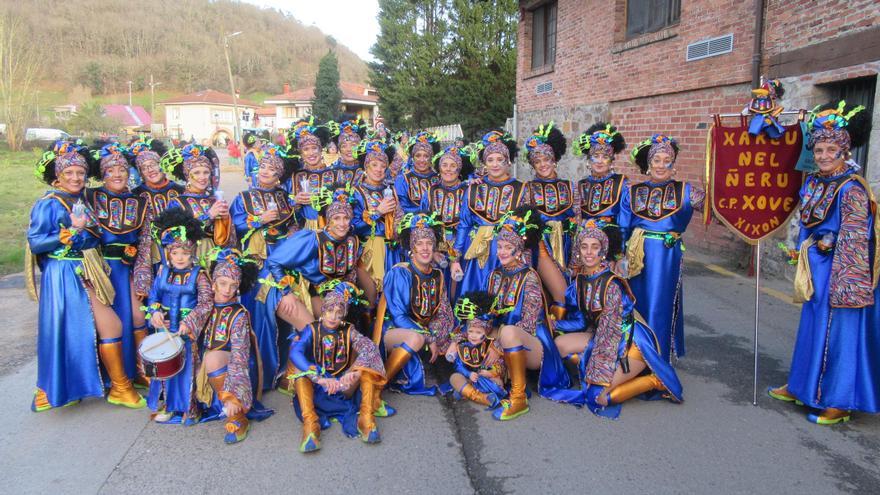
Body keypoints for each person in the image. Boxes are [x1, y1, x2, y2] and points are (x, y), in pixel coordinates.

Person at [769, 101, 879, 425]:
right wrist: (802, 249)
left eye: (831, 149)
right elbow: (807, 221)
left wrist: (833, 249)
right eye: (819, 149)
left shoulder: (852, 188)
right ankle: (802, 386)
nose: (824, 155)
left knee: (839, 331)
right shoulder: (816, 182)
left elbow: (859, 237)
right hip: (816, 266)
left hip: (842, 271)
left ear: (844, 151)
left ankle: (839, 401)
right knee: (812, 327)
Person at [28, 141, 145, 411]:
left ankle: (113, 385)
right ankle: (119, 387)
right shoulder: (49, 203)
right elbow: (36, 243)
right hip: (66, 272)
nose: (75, 178)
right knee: (107, 326)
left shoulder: (81, 199)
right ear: (58, 176)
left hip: (87, 267)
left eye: (80, 173)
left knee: (86, 331)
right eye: (69, 173)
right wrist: (67, 232)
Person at [554, 221, 683, 418]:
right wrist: (551, 323)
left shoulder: (612, 285)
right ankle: (599, 375)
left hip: (630, 344)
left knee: (599, 398)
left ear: (602, 251)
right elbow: (581, 323)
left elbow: (612, 333)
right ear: (578, 250)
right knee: (559, 343)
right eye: (584, 246)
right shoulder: (578, 283)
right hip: (604, 339)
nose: (589, 252)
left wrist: (603, 368)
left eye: (595, 247)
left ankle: (655, 380)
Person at [260, 186, 372, 394]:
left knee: (338, 327)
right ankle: (292, 381)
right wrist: (287, 293)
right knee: (313, 331)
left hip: (319, 292)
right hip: (284, 287)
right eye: (336, 218)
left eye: (345, 218)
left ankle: (332, 382)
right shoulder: (311, 239)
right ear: (328, 219)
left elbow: (347, 274)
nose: (341, 223)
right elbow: (274, 262)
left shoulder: (351, 241)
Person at [625, 134, 704, 363]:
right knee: (634, 302)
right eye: (656, 160)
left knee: (659, 302)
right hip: (635, 255)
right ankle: (634, 354)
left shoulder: (687, 191)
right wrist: (619, 258)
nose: (661, 165)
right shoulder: (632, 191)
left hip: (666, 256)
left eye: (666, 160)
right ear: (649, 164)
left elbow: (715, 211)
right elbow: (622, 227)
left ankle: (657, 358)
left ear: (673, 164)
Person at [484, 207, 570, 420]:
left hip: (534, 345)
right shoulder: (495, 275)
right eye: (500, 246)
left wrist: (495, 345)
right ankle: (497, 378)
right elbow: (490, 313)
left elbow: (529, 323)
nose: (502, 251)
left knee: (508, 333)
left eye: (508, 247)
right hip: (508, 336)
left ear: (519, 249)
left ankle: (518, 397)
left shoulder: (529, 277)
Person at [289, 281, 386, 452]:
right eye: (329, 311)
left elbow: (369, 347)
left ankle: (366, 418)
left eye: (338, 313)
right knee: (299, 370)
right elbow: (296, 352)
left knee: (367, 365)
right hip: (319, 388)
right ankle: (311, 425)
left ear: (344, 315)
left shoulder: (349, 330)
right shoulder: (311, 329)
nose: (333, 317)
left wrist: (353, 372)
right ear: (323, 311)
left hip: (344, 386)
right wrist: (319, 378)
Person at [86, 142, 153, 388]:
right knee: (109, 324)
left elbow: (146, 241)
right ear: (102, 174)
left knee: (137, 315)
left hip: (129, 269)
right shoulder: (91, 197)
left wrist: (143, 274)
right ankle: (114, 379)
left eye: (122, 170)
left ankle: (141, 370)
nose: (117, 175)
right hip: (101, 271)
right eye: (111, 170)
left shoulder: (140, 201)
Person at [143, 208, 214, 424]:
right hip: (166, 327)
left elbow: (206, 302)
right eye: (175, 253)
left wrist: (190, 322)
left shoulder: (199, 275)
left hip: (187, 330)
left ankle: (190, 407)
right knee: (167, 366)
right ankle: (170, 405)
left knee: (188, 368)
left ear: (192, 252)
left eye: (184, 253)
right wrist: (154, 312)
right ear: (168, 254)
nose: (180, 257)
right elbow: (154, 295)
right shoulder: (163, 273)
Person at [198, 248, 274, 443]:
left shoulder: (239, 314)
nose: (227, 290)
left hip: (236, 369)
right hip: (208, 359)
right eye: (222, 284)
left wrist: (232, 396)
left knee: (212, 358)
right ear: (213, 284)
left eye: (233, 286)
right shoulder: (205, 305)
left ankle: (237, 415)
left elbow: (240, 357)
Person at [376, 213, 455, 397]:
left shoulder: (438, 275)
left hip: (422, 330)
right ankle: (379, 383)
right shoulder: (400, 273)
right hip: (394, 331)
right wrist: (428, 337)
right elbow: (399, 317)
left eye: (429, 242)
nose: (425, 248)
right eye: (419, 243)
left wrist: (435, 335)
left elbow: (444, 314)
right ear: (412, 247)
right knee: (417, 339)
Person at [450, 130, 530, 297]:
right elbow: (464, 225)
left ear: (508, 162)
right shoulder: (473, 188)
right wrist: (456, 259)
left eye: (500, 160)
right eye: (490, 160)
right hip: (475, 252)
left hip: (506, 252)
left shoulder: (521, 189)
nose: (495, 165)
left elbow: (526, 228)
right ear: (484, 163)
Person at [523, 122, 575, 314]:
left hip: (567, 246)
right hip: (541, 247)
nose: (543, 164)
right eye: (537, 161)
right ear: (532, 164)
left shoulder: (570, 186)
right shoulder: (527, 188)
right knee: (550, 292)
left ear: (555, 160)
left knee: (569, 290)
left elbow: (577, 218)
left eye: (547, 159)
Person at [572, 122, 629, 271]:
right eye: (595, 156)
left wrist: (617, 254)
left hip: (610, 247)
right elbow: (576, 219)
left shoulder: (622, 182)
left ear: (611, 161)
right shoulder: (580, 185)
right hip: (584, 249)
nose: (599, 161)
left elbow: (624, 222)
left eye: (605, 156)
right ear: (589, 160)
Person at [163, 144, 235, 262]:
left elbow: (229, 241)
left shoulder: (214, 200)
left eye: (206, 172)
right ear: (187, 175)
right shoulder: (176, 203)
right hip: (190, 259)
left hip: (215, 257)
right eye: (196, 173)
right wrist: (209, 216)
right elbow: (172, 239)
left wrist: (226, 219)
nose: (202, 177)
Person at [420, 144, 474, 298]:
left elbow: (466, 224)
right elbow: (424, 221)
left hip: (462, 245)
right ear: (439, 167)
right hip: (435, 246)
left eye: (453, 165)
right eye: (444, 165)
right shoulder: (430, 191)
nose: (448, 169)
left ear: (459, 169)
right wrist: (434, 250)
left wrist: (455, 255)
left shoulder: (468, 191)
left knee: (457, 287)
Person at [350, 140, 403, 291]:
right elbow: (353, 227)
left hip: (392, 250)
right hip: (370, 250)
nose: (379, 170)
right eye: (374, 165)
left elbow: (399, 218)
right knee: (372, 292)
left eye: (383, 166)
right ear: (366, 166)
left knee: (391, 290)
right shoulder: (356, 192)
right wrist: (378, 212)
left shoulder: (391, 190)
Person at [448, 292, 506, 410]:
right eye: (471, 331)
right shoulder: (463, 345)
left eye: (479, 332)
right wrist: (469, 374)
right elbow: (458, 365)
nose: (473, 336)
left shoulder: (492, 346)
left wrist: (491, 373)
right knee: (454, 378)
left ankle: (467, 393)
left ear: (486, 331)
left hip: (486, 380)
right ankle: (482, 398)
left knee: (499, 382)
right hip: (470, 378)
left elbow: (501, 365)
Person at [287, 118, 336, 230]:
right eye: (306, 149)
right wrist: (296, 201)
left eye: (314, 148)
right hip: (307, 229)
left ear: (321, 150)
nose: (311, 153)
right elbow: (287, 207)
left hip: (332, 230)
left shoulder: (334, 173)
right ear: (301, 153)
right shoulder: (297, 176)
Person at [395, 131, 440, 214]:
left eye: (426, 156)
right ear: (413, 157)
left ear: (431, 158)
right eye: (418, 156)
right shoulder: (403, 179)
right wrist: (422, 211)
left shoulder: (439, 178)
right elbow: (401, 208)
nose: (422, 160)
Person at [328, 117, 366, 184]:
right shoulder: (330, 171)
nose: (349, 149)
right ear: (339, 149)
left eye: (353, 145)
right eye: (344, 146)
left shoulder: (367, 170)